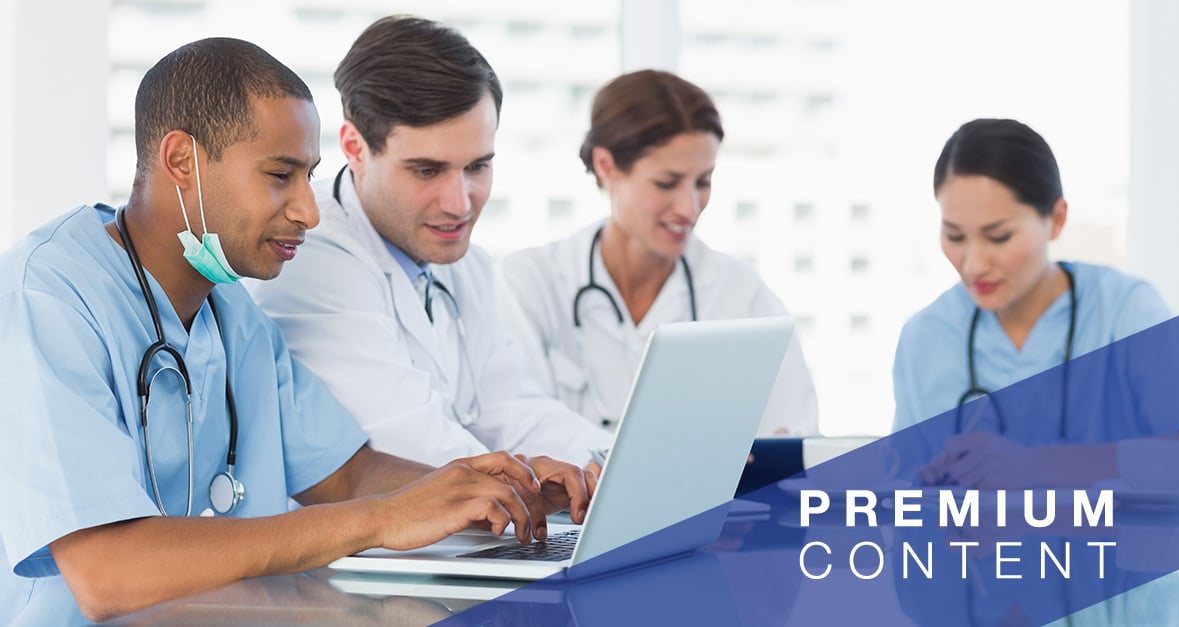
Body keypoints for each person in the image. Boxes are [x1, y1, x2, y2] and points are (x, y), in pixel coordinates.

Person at [0, 38, 593, 623]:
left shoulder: (233, 313)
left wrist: (493, 488)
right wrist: (381, 519)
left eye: (309, 176)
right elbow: (107, 572)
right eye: (281, 175)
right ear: (181, 161)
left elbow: (347, 473)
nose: (308, 211)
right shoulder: (46, 298)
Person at [247, 16, 612, 468]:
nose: (459, 204)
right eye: (427, 170)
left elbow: (512, 411)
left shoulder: (466, 263)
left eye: (477, 167)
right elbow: (412, 446)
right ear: (355, 148)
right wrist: (543, 483)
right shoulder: (308, 257)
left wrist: (616, 461)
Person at [497, 69, 819, 437]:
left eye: (703, 181)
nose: (689, 207)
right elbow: (515, 429)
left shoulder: (741, 296)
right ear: (606, 166)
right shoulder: (530, 283)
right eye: (667, 183)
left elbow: (795, 435)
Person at [891, 118, 1179, 488]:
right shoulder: (926, 338)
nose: (973, 265)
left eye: (999, 236)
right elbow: (905, 487)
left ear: (1056, 219)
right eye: (955, 236)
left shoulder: (1125, 311)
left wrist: (1040, 465)